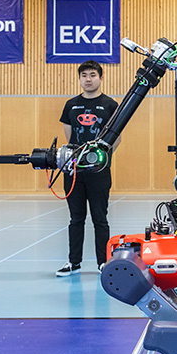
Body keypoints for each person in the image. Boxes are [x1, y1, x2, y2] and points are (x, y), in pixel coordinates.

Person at [56, 60, 120, 277]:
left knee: (100, 217)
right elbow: (69, 134)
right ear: (80, 78)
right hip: (74, 171)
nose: (88, 79)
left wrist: (99, 159)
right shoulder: (71, 105)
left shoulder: (111, 105)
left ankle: (104, 262)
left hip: (99, 172)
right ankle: (74, 262)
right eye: (84, 75)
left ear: (100, 78)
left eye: (93, 75)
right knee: (76, 218)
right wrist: (79, 158)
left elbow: (116, 137)